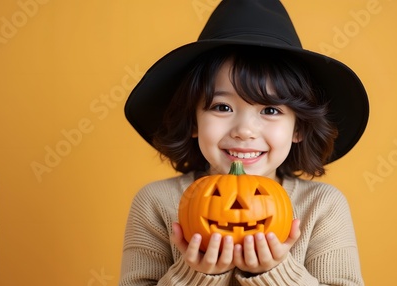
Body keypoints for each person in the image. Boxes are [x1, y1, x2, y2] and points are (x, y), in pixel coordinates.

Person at [120, 0, 369, 285]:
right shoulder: (156, 203)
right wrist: (195, 276)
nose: (244, 131)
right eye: (222, 107)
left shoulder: (322, 206)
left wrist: (276, 274)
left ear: (298, 127)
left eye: (270, 110)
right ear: (193, 121)